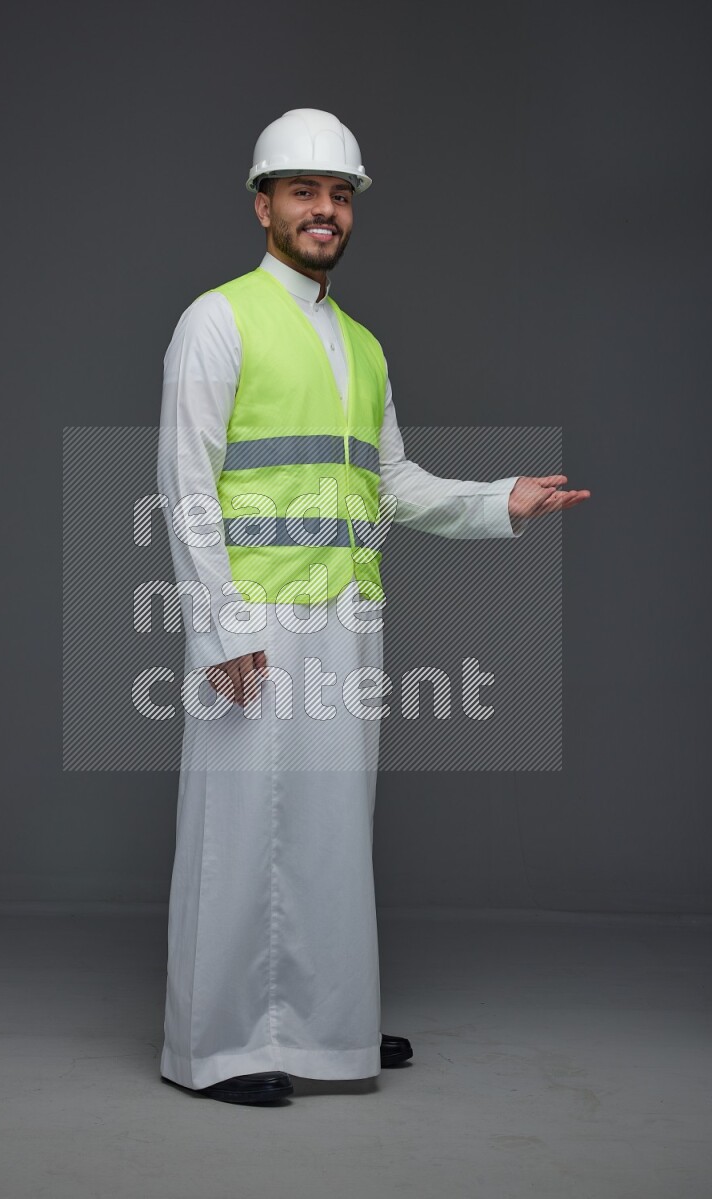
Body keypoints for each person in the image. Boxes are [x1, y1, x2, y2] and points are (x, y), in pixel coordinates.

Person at [156, 108, 590, 1105]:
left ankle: (323, 1026)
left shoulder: (360, 344)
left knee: (324, 830)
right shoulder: (216, 320)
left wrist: (497, 502)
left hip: (345, 620)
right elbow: (185, 486)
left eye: (338, 194)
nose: (323, 210)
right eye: (303, 191)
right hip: (255, 624)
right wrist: (218, 629)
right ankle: (213, 1046)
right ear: (262, 202)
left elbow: (387, 483)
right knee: (237, 835)